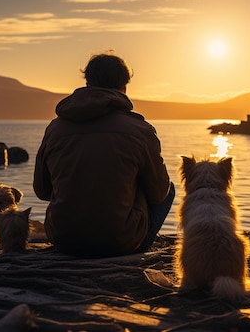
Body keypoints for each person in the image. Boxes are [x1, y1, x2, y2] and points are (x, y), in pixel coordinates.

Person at [33, 51, 174, 258]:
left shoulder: (55, 129)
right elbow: (159, 194)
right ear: (124, 87)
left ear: (87, 83)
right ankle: (133, 240)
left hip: (64, 240)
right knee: (166, 187)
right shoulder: (140, 130)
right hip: (120, 243)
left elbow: (42, 191)